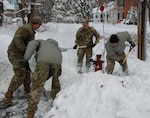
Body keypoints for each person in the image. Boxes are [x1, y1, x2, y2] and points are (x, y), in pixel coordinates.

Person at [3, 17, 42, 105]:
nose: (39, 27)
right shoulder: (25, 29)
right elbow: (17, 39)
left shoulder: (30, 30)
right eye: (39, 24)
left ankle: (27, 91)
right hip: (15, 54)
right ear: (36, 23)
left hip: (21, 55)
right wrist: (25, 50)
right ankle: (8, 95)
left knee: (27, 72)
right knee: (20, 74)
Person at [22, 38, 62, 118]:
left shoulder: (41, 42)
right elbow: (59, 72)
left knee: (37, 87)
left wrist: (25, 59)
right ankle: (56, 102)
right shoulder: (56, 48)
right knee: (56, 83)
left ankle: (31, 112)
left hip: (43, 62)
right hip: (57, 62)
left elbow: (32, 43)